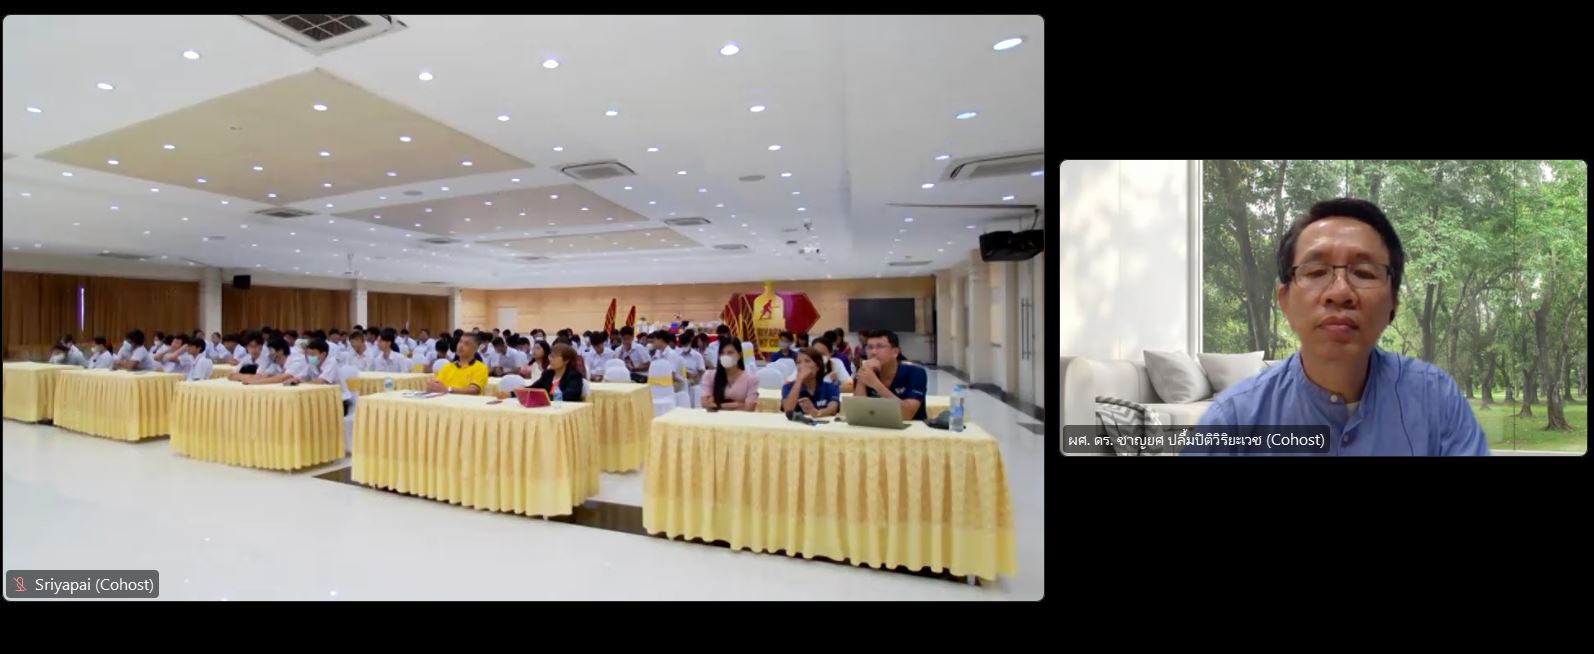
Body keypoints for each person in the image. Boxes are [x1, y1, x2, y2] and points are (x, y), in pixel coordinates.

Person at [1192, 197, 1489, 456]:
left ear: (1393, 302)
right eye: (1316, 272)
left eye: (1364, 273)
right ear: (1285, 301)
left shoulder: (1437, 400)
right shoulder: (1232, 420)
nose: (1339, 292)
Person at [852, 329, 928, 421]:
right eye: (869, 347)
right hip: (876, 425)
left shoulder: (915, 372)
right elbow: (859, 414)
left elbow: (906, 414)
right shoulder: (865, 372)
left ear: (895, 352)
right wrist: (862, 380)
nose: (873, 352)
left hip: (912, 427)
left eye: (880, 347)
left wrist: (876, 384)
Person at [286, 339, 356, 415]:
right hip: (323, 400)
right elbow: (301, 377)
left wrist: (302, 382)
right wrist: (294, 380)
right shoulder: (313, 364)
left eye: (313, 354)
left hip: (339, 401)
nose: (310, 357)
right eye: (308, 354)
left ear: (323, 354)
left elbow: (320, 382)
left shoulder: (332, 362)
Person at [781, 348, 842, 418]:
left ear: (818, 366)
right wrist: (799, 380)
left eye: (807, 361)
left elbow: (833, 409)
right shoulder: (788, 387)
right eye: (798, 362)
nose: (802, 366)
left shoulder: (831, 387)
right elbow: (788, 410)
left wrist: (816, 413)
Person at [701, 339, 759, 411]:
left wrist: (717, 405)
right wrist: (737, 404)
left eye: (730, 353)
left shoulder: (751, 379)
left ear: (739, 355)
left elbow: (749, 408)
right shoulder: (709, 375)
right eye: (722, 353)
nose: (725, 356)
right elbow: (705, 403)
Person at [230, 337, 295, 384]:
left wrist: (253, 382)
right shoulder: (275, 364)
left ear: (281, 351)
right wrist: (247, 379)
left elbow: (282, 378)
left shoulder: (294, 361)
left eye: (271, 350)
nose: (269, 353)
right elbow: (263, 375)